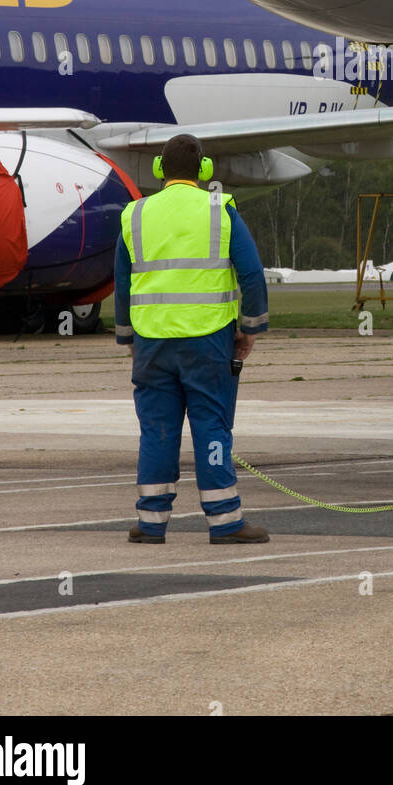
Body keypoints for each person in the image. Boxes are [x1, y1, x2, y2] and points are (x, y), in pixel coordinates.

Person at [114, 133, 269, 544]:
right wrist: (250, 328)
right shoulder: (220, 209)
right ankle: (225, 522)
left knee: (157, 430)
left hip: (151, 342)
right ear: (204, 170)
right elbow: (252, 273)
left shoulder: (135, 214)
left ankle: (151, 523)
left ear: (160, 170)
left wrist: (128, 339)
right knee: (211, 426)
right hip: (208, 340)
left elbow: (122, 283)